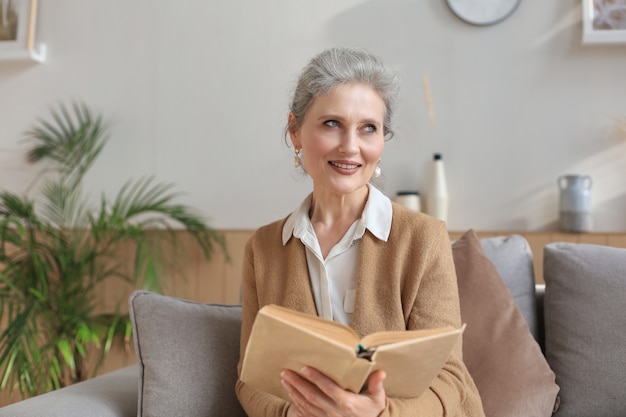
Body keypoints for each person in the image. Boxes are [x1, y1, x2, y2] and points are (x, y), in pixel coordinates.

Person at [236, 46, 485, 417]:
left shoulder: (424, 238)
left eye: (368, 128)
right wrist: (293, 414)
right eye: (331, 124)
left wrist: (379, 415)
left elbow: (450, 378)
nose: (351, 147)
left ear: (382, 141)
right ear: (296, 131)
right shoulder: (264, 248)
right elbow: (249, 378)